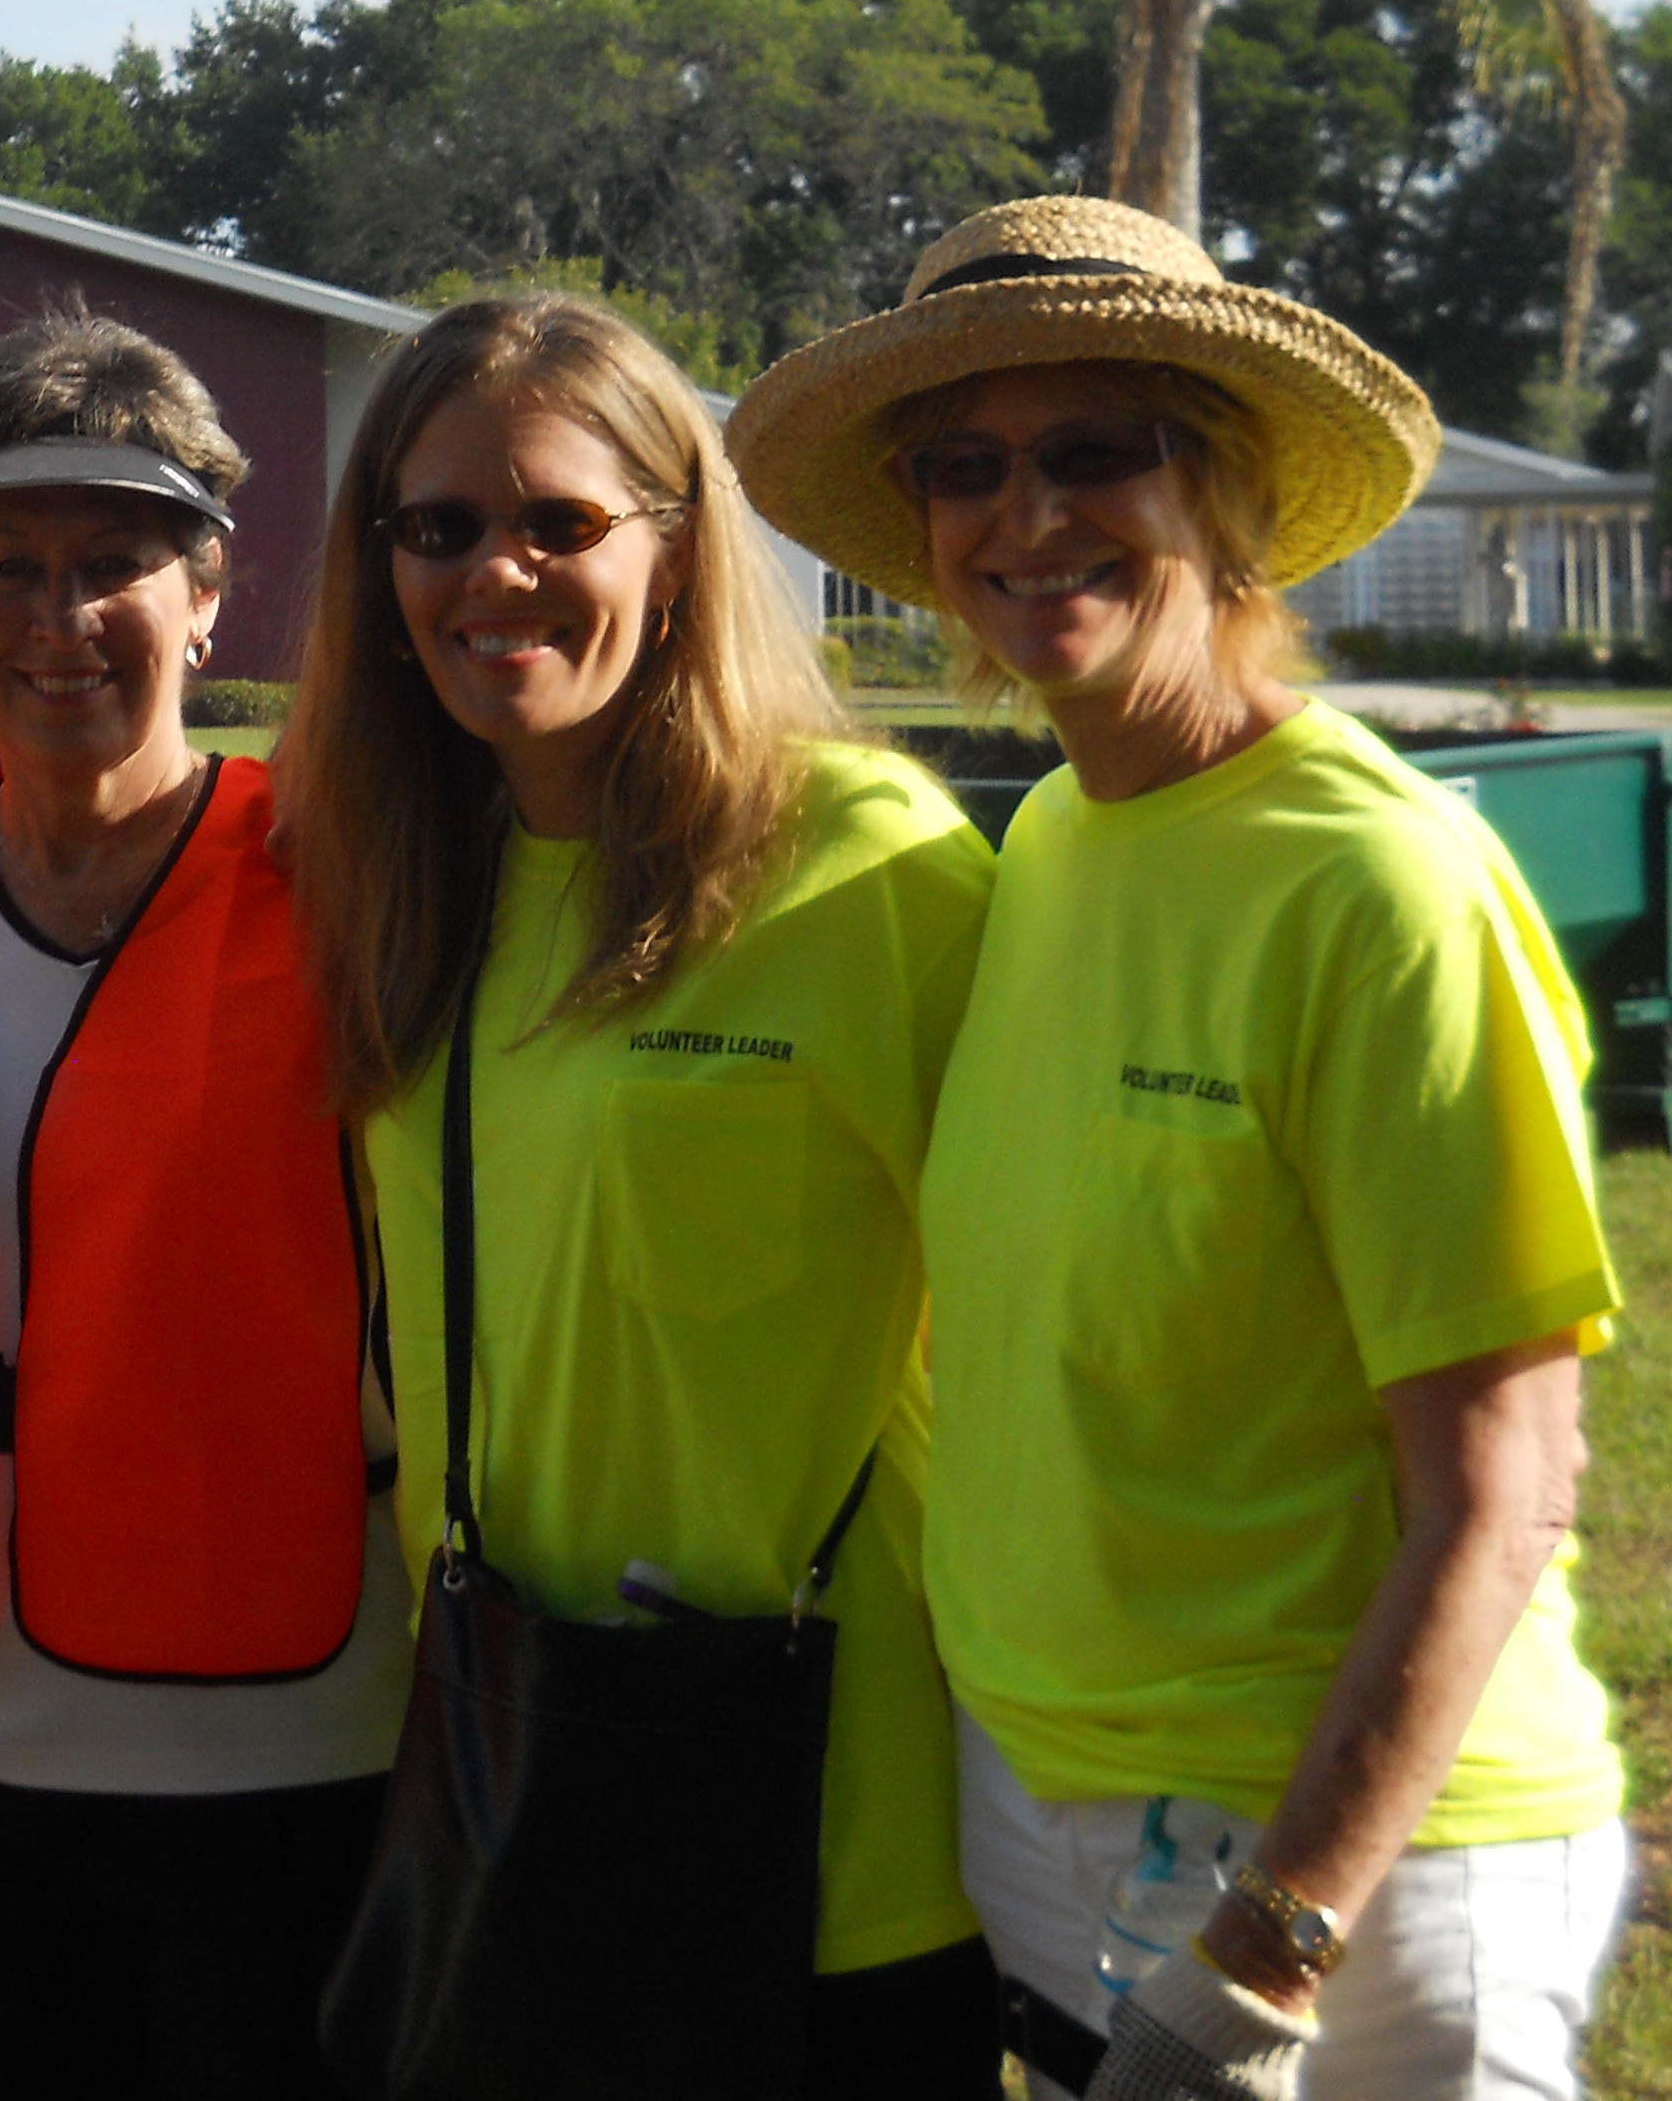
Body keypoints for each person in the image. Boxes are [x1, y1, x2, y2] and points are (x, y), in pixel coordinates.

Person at [727, 196, 1631, 2101]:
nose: (1024, 515)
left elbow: (1507, 1489)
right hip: (1052, 1816)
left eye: (1092, 452)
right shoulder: (1049, 843)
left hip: (1364, 1882)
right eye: (962, 469)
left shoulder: (1377, 883)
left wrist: (1270, 1949)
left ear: (1217, 485)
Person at [279, 292, 1003, 2095]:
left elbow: (1035, 1320)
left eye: (558, 523)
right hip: (512, 1774)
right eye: (437, 527)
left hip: (830, 1812)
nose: (492, 574)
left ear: (679, 554)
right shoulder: (402, 882)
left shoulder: (865, 864)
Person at [0, 314, 414, 2100]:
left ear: (208, 593)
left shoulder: (347, 884)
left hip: (284, 1769)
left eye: (117, 564)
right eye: (11, 569)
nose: (63, 619)